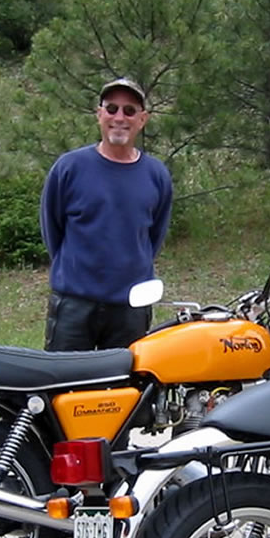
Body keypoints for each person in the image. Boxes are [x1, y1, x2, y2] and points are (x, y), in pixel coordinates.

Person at [39, 77, 173, 351]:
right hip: (73, 307)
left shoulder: (157, 175)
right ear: (99, 114)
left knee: (127, 391)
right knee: (65, 389)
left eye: (129, 110)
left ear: (142, 119)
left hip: (130, 309)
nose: (119, 118)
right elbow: (52, 228)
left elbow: (153, 237)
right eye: (111, 109)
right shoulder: (69, 168)